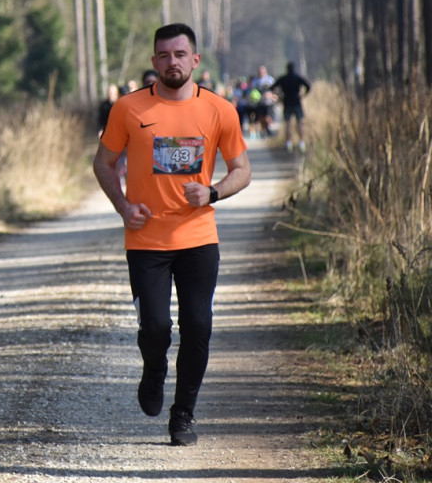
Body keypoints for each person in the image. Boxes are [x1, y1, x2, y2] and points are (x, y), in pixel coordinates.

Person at [92, 23, 251, 446]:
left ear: (195, 60)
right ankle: (154, 369)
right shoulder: (128, 109)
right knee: (156, 329)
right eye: (164, 55)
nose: (172, 62)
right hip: (146, 241)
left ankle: (183, 416)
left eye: (180, 54)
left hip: (199, 238)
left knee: (198, 326)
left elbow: (243, 171)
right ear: (154, 62)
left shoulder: (219, 110)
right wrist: (124, 207)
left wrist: (213, 192)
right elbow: (103, 164)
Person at [272, 61, 311, 153]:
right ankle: (302, 142)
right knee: (299, 123)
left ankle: (288, 143)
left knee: (288, 124)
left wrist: (279, 96)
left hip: (287, 102)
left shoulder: (283, 79)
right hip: (297, 102)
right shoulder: (297, 78)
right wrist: (303, 95)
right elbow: (308, 86)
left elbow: (272, 87)